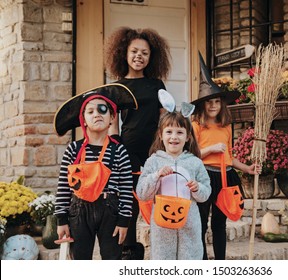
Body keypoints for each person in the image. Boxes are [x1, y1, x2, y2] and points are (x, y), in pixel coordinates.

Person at [103, 26, 171, 259]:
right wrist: (115, 147)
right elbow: (113, 123)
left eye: (144, 52)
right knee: (129, 200)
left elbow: (164, 117)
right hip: (128, 148)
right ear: (124, 53)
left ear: (151, 57)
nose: (139, 56)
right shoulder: (117, 87)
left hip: (155, 149)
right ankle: (128, 249)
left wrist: (166, 146)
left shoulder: (157, 85)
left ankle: (164, 245)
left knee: (161, 196)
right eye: (134, 51)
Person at [53, 84, 137, 260]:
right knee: (81, 259)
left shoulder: (119, 150)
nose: (97, 114)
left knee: (111, 259)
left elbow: (126, 189)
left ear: (112, 117)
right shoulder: (73, 150)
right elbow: (63, 187)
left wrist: (124, 221)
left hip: (110, 211)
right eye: (90, 111)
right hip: (79, 212)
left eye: (102, 109)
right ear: (83, 120)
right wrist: (61, 219)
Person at [191, 53, 259, 260]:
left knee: (219, 223)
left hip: (225, 176)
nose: (213, 105)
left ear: (222, 104)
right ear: (203, 105)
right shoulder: (196, 126)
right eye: (209, 102)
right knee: (201, 223)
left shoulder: (226, 127)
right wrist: (210, 149)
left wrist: (246, 168)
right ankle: (202, 261)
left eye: (216, 102)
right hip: (205, 177)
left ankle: (220, 262)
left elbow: (228, 156)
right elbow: (191, 156)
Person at [136, 110, 211, 260]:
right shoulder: (153, 161)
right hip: (162, 229)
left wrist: (197, 188)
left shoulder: (195, 162)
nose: (174, 137)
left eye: (179, 132)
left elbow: (206, 191)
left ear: (188, 136)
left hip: (189, 227)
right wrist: (156, 175)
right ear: (160, 135)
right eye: (169, 131)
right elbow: (142, 193)